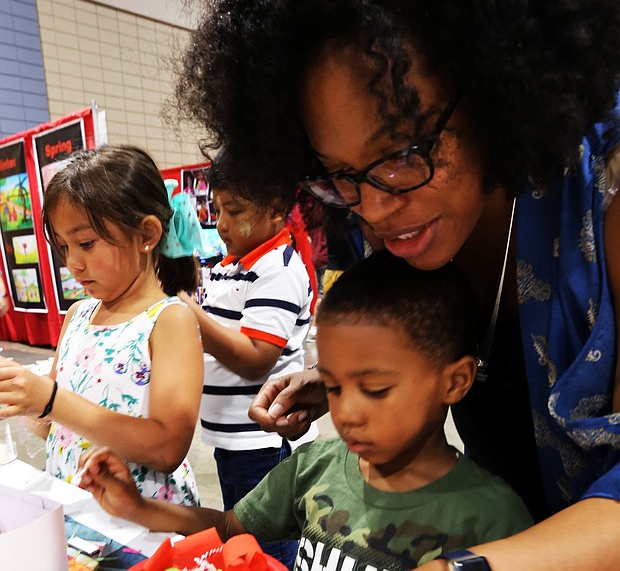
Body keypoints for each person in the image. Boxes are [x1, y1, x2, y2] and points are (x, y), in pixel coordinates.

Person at [169, 0, 620, 568]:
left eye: (405, 151)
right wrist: (353, 383)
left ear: (494, 82)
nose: (377, 209)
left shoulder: (605, 200)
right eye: (337, 175)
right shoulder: (376, 227)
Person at [79, 250, 533, 569]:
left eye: (374, 389)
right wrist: (137, 507)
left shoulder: (493, 518)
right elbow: (227, 527)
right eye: (333, 387)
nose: (347, 414)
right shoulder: (314, 468)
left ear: (455, 380)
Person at [0, 145, 205, 506]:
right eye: (63, 247)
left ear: (147, 234)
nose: (73, 263)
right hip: (75, 506)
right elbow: (54, 425)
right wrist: (20, 397)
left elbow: (168, 446)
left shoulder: (169, 320)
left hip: (144, 515)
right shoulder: (78, 315)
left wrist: (49, 400)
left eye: (86, 243)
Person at [176, 150, 318, 569]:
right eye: (216, 208)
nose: (220, 222)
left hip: (261, 443)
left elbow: (257, 359)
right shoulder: (232, 266)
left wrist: (194, 317)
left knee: (265, 543)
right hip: (231, 441)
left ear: (276, 209)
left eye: (233, 210)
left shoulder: (278, 271)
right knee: (243, 538)